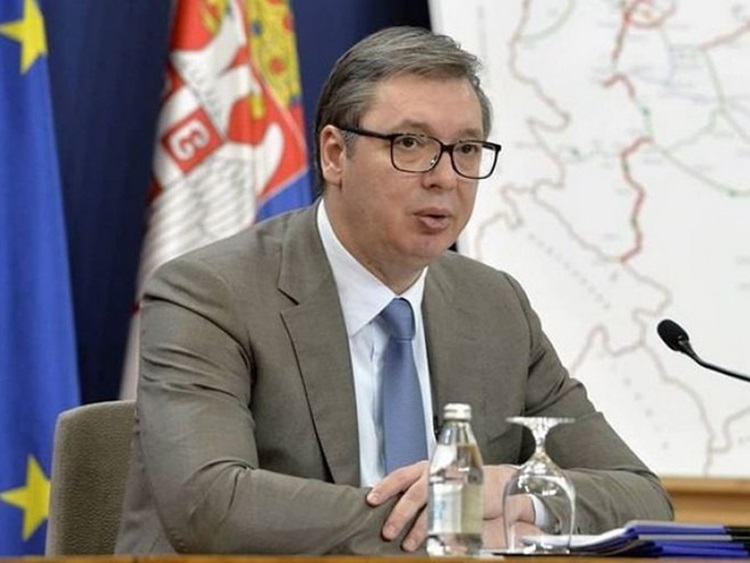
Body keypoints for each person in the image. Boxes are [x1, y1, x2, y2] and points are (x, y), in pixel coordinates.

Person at [115, 26, 673, 555]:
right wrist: (455, 520)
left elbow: (641, 496)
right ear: (335, 155)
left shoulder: (495, 305)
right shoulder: (211, 294)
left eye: (467, 149)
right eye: (410, 143)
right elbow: (211, 506)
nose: (444, 177)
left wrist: (515, 495)